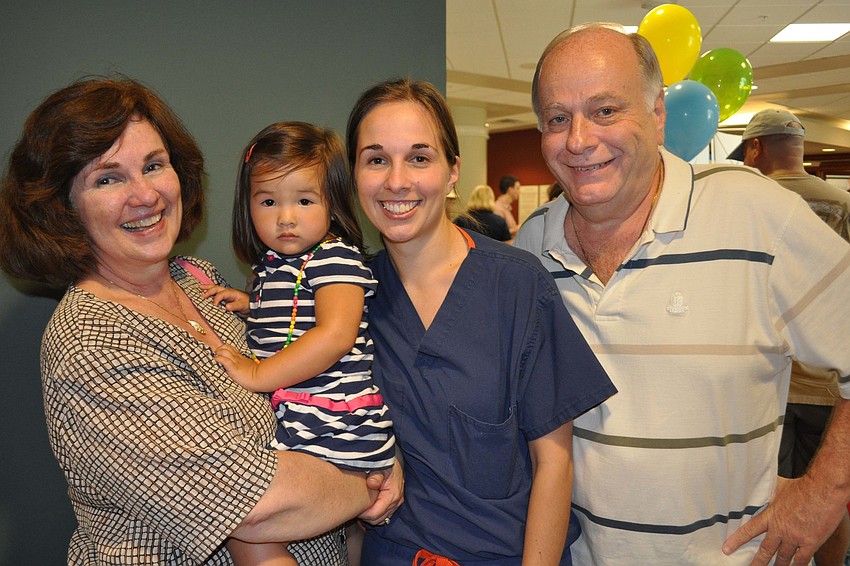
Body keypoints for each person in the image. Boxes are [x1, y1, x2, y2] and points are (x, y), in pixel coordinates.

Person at [0, 77, 400, 564]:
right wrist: (374, 476)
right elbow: (253, 507)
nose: (144, 195)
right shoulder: (93, 341)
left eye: (153, 165)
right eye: (108, 177)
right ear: (62, 208)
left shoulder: (198, 281)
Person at [515, 23, 850, 565]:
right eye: (558, 118)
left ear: (658, 114)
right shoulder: (532, 245)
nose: (578, 140)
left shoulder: (758, 216)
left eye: (605, 111)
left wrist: (825, 491)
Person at [345, 77, 615, 565]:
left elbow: (554, 462)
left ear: (453, 172)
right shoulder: (347, 297)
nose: (397, 180)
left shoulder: (515, 285)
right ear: (355, 174)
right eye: (377, 158)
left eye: (420, 158)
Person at [204, 121, 396, 566]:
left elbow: (334, 335)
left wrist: (257, 374)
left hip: (335, 420)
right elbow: (296, 314)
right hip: (300, 411)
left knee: (251, 529)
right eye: (268, 201)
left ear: (332, 203)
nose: (285, 217)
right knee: (340, 534)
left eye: (304, 201)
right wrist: (252, 305)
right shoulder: (272, 266)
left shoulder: (336, 257)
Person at [730, 108, 850, 565]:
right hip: (827, 385)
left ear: (756, 147)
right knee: (823, 495)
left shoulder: (750, 201)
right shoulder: (839, 201)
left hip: (764, 385)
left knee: (760, 498)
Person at [494, 174, 521, 242]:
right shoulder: (497, 208)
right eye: (517, 188)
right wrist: (517, 229)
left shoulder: (506, 208)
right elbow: (499, 233)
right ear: (510, 190)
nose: (519, 192)